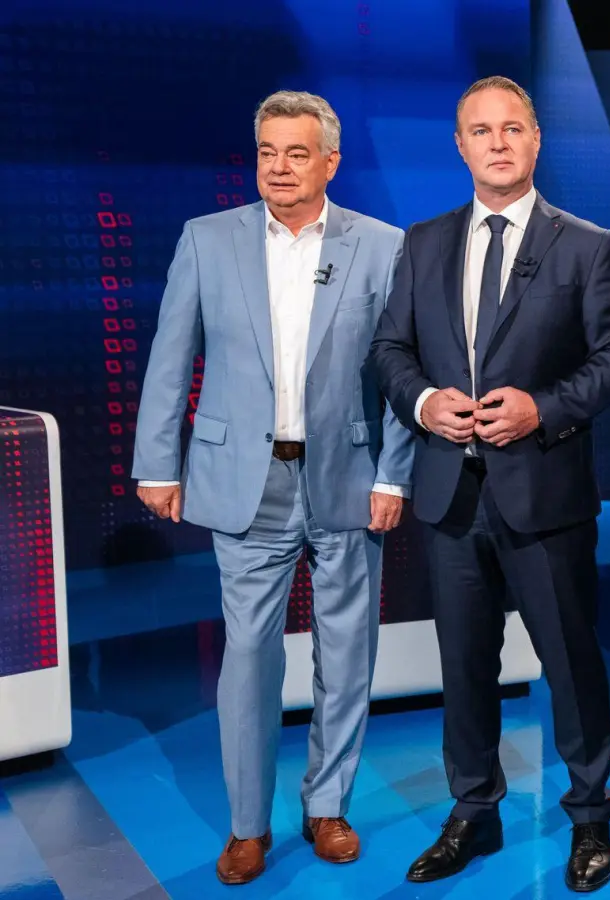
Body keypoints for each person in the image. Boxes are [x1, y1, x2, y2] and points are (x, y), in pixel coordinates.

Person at [368, 75, 610, 890]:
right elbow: (390, 351)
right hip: (450, 493)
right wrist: (422, 401)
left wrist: (541, 409)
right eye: (480, 130)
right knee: (464, 666)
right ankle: (474, 811)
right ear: (460, 145)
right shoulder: (422, 243)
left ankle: (590, 818)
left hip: (546, 493)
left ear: (535, 140)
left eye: (511, 128)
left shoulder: (586, 244)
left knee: (570, 663)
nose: (497, 142)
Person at [131, 90, 411, 885]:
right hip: (242, 482)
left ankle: (328, 808)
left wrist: (394, 471)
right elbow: (170, 352)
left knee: (346, 651)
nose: (279, 168)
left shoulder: (382, 245)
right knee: (249, 654)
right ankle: (247, 826)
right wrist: (159, 462)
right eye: (267, 152)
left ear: (330, 161)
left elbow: (400, 373)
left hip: (349, 476)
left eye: (296, 153)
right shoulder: (207, 240)